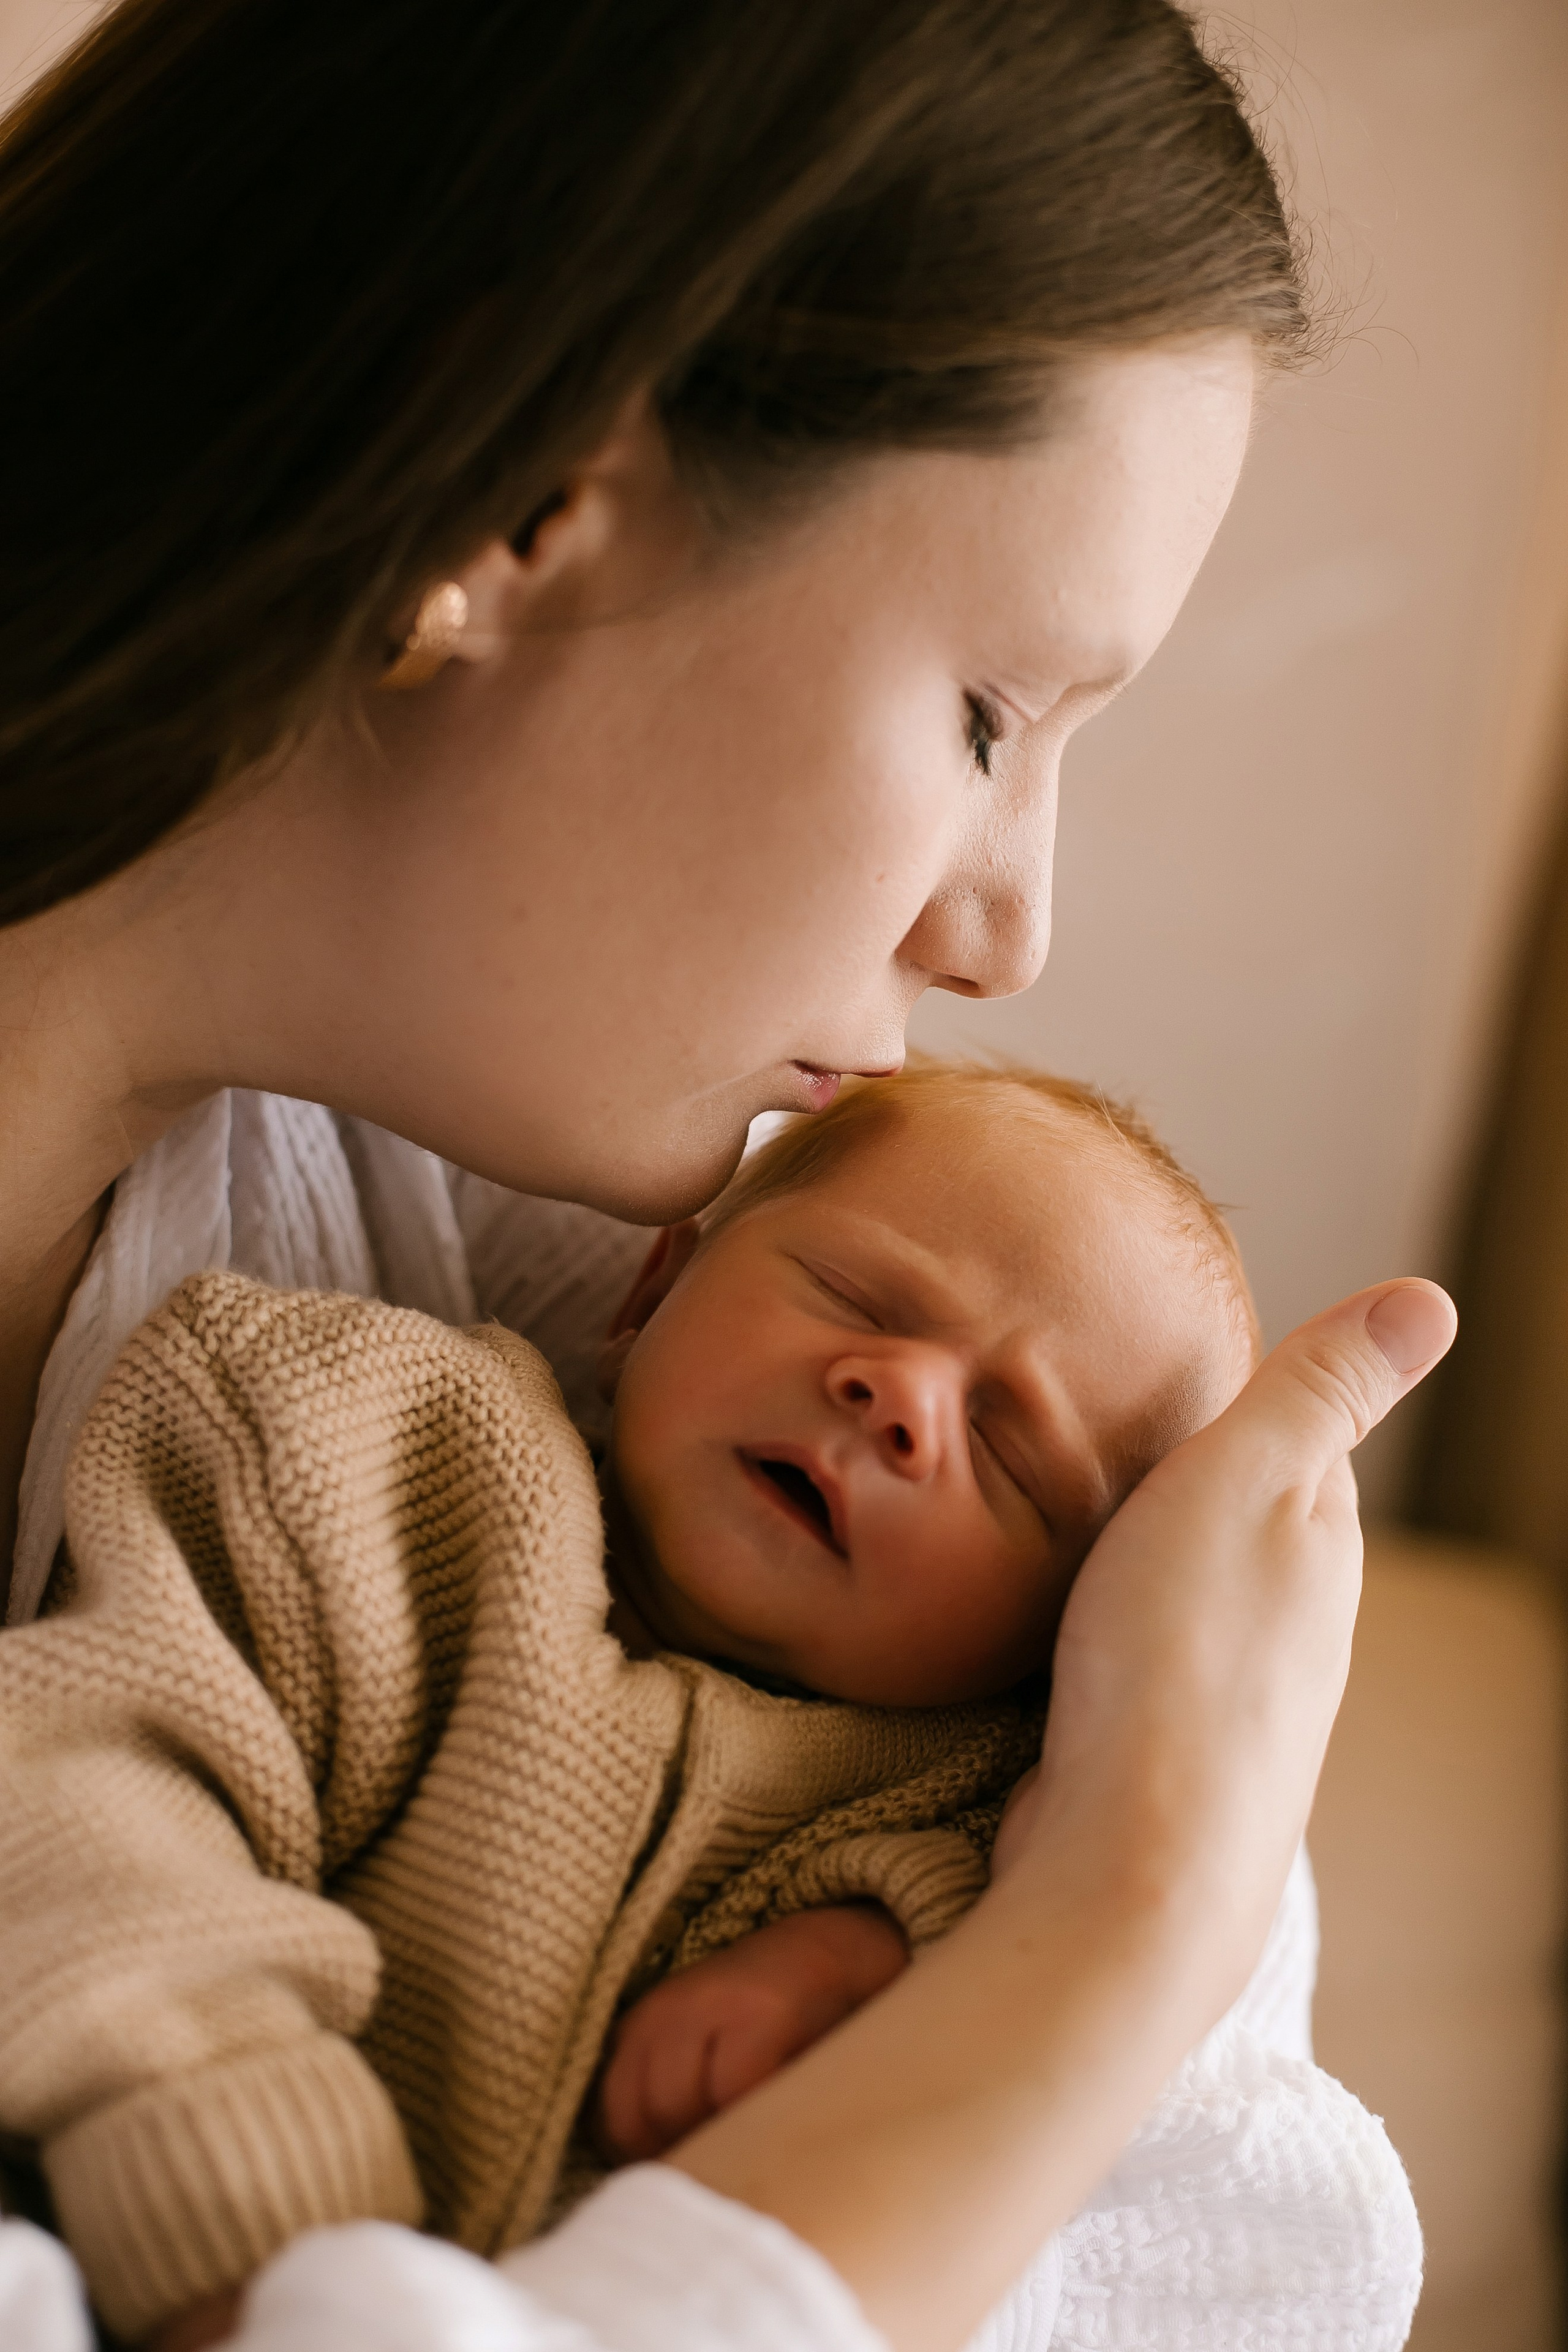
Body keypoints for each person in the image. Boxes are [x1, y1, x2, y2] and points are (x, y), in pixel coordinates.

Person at [0, 4, 1457, 2350]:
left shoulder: (510, 1232)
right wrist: (1124, 1920)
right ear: (509, 504)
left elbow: (1208, 2196)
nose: (1009, 931)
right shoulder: (409, 1402)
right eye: (990, 713)